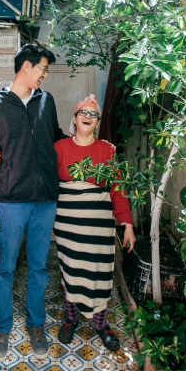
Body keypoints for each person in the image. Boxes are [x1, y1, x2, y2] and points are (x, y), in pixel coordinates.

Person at [0, 43, 67, 362]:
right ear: (26, 67)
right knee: (6, 268)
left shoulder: (47, 101)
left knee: (40, 267)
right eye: (42, 69)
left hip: (45, 200)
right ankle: (2, 327)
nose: (44, 75)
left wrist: (85, 135)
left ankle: (36, 324)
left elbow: (56, 138)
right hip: (10, 201)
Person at [53, 94, 135, 351]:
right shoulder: (59, 148)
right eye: (83, 113)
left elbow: (118, 190)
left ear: (97, 122)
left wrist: (127, 224)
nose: (87, 117)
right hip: (67, 226)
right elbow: (44, 180)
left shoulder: (108, 150)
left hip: (99, 226)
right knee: (71, 270)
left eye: (93, 114)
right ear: (75, 118)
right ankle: (71, 318)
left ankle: (101, 323)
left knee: (98, 272)